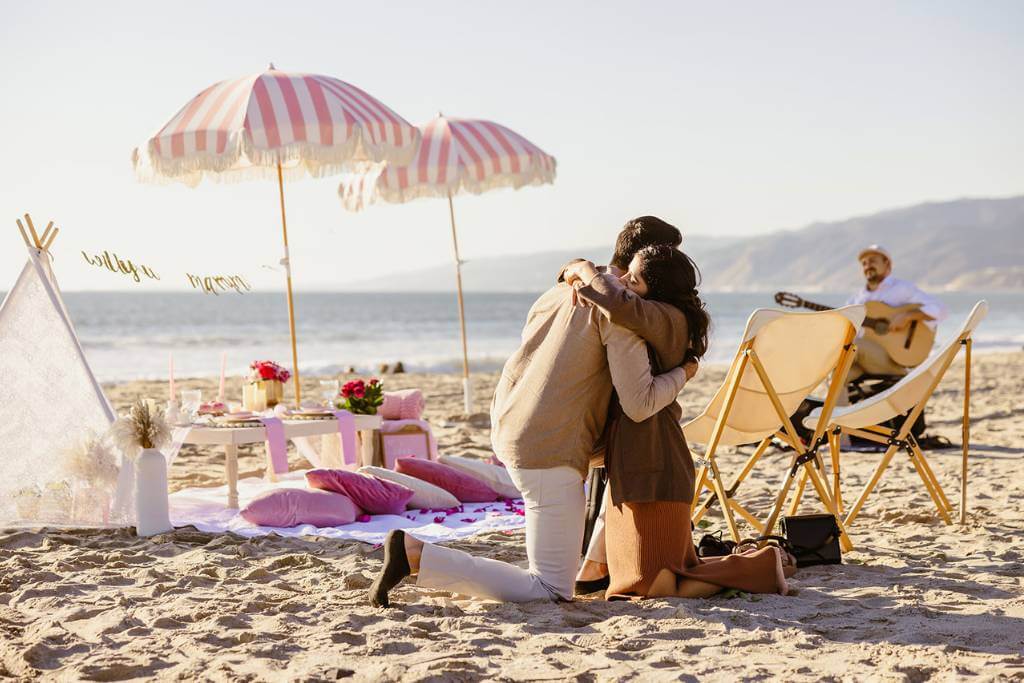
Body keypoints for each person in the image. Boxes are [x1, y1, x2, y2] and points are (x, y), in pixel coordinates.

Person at [368, 218, 691, 608]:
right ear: (643, 263)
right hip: (548, 447)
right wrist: (682, 373)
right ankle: (416, 554)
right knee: (551, 588)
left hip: (509, 424)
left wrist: (580, 268)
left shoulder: (557, 291)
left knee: (563, 549)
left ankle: (594, 566)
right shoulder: (618, 314)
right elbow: (639, 404)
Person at [564, 247, 793, 599]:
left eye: (634, 279)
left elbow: (615, 301)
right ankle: (754, 565)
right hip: (632, 462)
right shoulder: (653, 315)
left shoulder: (664, 318)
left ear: (658, 292)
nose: (623, 280)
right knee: (630, 584)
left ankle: (762, 567)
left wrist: (581, 267)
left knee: (650, 585)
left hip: (656, 463)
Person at [839, 244, 948, 404]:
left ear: (887, 264)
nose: (867, 266)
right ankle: (837, 424)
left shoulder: (902, 289)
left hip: (894, 360)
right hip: (865, 362)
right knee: (835, 375)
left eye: (872, 261)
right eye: (864, 263)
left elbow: (941, 310)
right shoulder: (856, 300)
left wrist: (908, 316)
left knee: (854, 345)